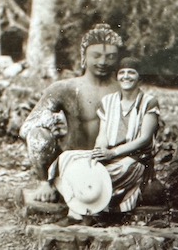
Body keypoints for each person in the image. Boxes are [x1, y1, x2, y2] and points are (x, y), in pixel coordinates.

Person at [49, 57, 160, 225]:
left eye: (131, 72)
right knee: (67, 159)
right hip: (109, 153)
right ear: (117, 76)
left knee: (106, 176)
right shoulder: (109, 101)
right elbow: (103, 134)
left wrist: (113, 152)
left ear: (140, 77)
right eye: (122, 72)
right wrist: (99, 150)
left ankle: (86, 214)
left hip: (134, 158)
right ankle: (78, 211)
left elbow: (144, 139)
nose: (126, 76)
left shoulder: (148, 102)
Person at [19, 23, 123, 202]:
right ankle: (47, 183)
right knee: (38, 135)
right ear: (84, 57)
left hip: (113, 161)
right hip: (71, 160)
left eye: (110, 57)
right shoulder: (64, 88)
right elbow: (28, 127)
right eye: (96, 56)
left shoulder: (125, 90)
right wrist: (50, 123)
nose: (103, 62)